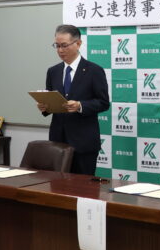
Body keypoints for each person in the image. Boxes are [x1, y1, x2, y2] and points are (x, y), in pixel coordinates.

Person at [37, 25, 110, 175]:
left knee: (82, 186)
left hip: (83, 143)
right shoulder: (53, 71)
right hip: (58, 141)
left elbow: (103, 103)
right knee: (57, 185)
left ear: (78, 43)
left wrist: (80, 106)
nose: (60, 50)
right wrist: (45, 107)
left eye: (64, 45)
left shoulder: (94, 71)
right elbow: (51, 100)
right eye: (57, 46)